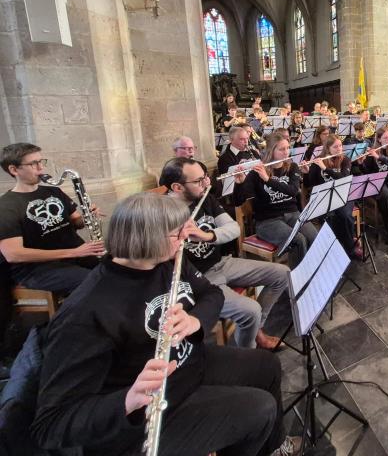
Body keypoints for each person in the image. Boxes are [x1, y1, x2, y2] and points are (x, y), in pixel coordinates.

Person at [31, 192, 298, 456]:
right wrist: (126, 400)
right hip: (145, 420)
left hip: (187, 368)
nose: (185, 238)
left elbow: (211, 294)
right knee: (259, 410)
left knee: (267, 365)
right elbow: (51, 425)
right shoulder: (85, 313)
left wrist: (195, 320)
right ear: (145, 239)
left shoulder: (165, 262)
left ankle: (274, 447)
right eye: (176, 233)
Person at [160, 158, 287, 350]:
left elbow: (234, 228)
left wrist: (207, 235)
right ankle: (247, 353)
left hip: (221, 263)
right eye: (197, 181)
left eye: (204, 178)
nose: (205, 184)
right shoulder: (160, 213)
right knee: (251, 310)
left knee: (282, 274)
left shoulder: (205, 199)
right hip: (198, 279)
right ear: (177, 187)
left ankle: (255, 329)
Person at [0, 143, 106, 293]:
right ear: (14, 169)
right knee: (93, 282)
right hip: (37, 268)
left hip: (74, 255)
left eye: (41, 161)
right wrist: (74, 252)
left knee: (117, 270)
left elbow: (76, 222)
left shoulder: (54, 191)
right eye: (33, 163)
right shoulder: (6, 206)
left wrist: (87, 216)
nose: (41, 168)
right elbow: (14, 254)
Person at [234, 135, 317, 268]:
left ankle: (313, 271)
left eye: (288, 148)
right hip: (268, 221)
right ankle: (297, 281)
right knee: (298, 240)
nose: (286, 152)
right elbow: (238, 201)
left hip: (292, 214)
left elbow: (292, 191)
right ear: (271, 151)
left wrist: (268, 180)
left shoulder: (292, 167)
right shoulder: (257, 171)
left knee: (314, 236)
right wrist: (239, 183)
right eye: (281, 149)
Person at [308, 136, 360, 260]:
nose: (339, 149)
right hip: (326, 195)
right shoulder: (319, 160)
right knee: (331, 216)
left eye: (340, 146)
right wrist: (307, 170)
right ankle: (334, 247)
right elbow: (311, 182)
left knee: (345, 215)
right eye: (335, 147)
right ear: (327, 149)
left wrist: (325, 169)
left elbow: (343, 177)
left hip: (344, 193)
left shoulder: (345, 159)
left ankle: (350, 248)